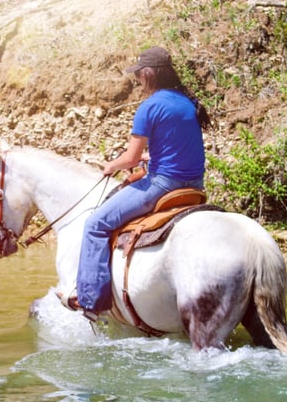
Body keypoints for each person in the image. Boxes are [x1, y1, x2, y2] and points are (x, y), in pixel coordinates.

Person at [58, 46, 211, 320]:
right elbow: (175, 146)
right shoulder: (187, 102)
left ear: (149, 74)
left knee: (95, 225)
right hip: (195, 183)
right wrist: (153, 157)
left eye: (139, 74)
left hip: (163, 184)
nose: (137, 79)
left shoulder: (149, 107)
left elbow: (131, 158)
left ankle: (89, 298)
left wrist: (111, 165)